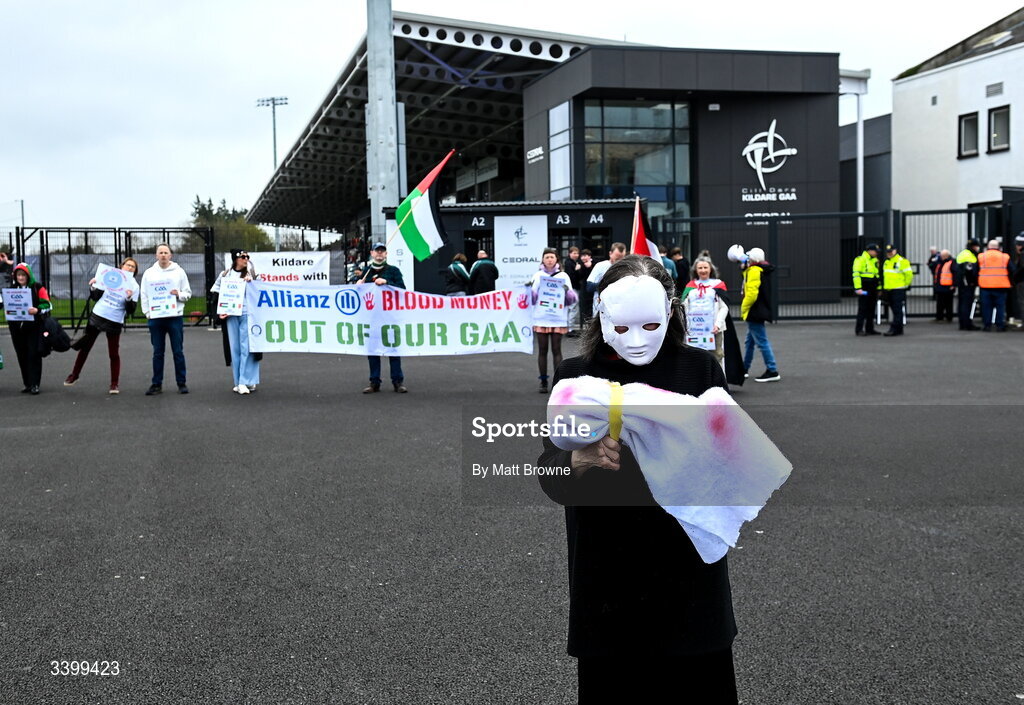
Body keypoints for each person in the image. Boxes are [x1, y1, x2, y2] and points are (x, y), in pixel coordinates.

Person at [537, 255, 738, 704]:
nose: (637, 341)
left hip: (690, 575)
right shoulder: (574, 375)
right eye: (623, 327)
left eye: (649, 325)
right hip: (607, 577)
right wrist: (579, 459)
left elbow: (732, 467)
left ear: (670, 311)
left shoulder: (700, 370)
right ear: (602, 315)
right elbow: (547, 472)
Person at [64, 257, 139, 394]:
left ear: (135, 271)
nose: (129, 268)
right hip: (98, 315)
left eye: (132, 267)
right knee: (85, 347)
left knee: (113, 353)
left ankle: (114, 384)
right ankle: (74, 375)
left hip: (115, 320)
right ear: (121, 266)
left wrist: (129, 298)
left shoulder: (134, 286)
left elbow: (131, 310)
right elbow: (96, 296)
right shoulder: (111, 275)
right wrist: (93, 286)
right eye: (127, 265)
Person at [140, 243, 191, 395]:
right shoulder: (149, 273)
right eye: (160, 252)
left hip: (174, 317)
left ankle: (181, 382)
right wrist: (148, 313)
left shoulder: (179, 272)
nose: (163, 255)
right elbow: (144, 294)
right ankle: (156, 384)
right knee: (158, 352)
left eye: (165, 252)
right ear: (156, 256)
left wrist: (179, 294)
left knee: (178, 351)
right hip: (156, 318)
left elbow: (187, 293)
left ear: (170, 255)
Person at [211, 249, 260, 394]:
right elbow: (215, 292)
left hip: (247, 314)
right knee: (235, 348)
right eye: (242, 257)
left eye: (247, 257)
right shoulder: (225, 274)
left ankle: (246, 380)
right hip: (231, 314)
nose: (246, 259)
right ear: (236, 259)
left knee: (247, 347)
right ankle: (239, 381)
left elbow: (260, 290)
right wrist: (220, 312)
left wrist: (253, 282)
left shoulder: (252, 274)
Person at [361, 242, 407, 393]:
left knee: (393, 350)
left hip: (390, 317)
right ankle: (374, 382)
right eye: (377, 251)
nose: (380, 253)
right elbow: (359, 294)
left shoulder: (393, 270)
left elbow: (402, 289)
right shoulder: (366, 272)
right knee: (373, 351)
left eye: (382, 251)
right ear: (372, 253)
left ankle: (397, 381)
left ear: (386, 254)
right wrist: (358, 285)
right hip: (372, 317)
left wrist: (387, 282)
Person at [530, 248, 577, 393]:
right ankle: (543, 381)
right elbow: (532, 299)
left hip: (558, 318)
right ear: (542, 260)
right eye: (547, 257)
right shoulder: (538, 276)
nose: (549, 259)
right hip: (542, 318)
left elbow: (571, 299)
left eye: (552, 257)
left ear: (556, 259)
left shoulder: (563, 276)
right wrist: (532, 291)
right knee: (542, 350)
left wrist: (565, 290)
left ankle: (558, 382)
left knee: (557, 350)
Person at [736, 246, 780, 382]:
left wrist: (744, 308)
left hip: (754, 311)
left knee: (761, 341)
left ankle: (772, 370)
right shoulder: (760, 269)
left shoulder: (754, 271)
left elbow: (752, 293)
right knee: (750, 342)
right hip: (759, 310)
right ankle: (744, 368)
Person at [6, 263, 51, 394]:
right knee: (21, 355)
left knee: (33, 354)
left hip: (34, 327)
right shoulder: (12, 289)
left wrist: (37, 310)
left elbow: (48, 304)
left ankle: (35, 383)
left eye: (23, 275)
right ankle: (27, 383)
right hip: (16, 328)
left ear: (28, 275)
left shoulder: (38, 287)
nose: (20, 278)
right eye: (18, 275)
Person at [681, 252, 729, 367]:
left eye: (705, 267)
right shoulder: (691, 286)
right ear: (696, 270)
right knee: (695, 358)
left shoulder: (718, 285)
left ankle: (718, 382)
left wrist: (717, 324)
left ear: (710, 269)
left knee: (717, 357)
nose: (703, 270)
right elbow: (684, 306)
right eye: (700, 268)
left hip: (714, 330)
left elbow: (724, 307)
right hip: (694, 330)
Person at [977, 239, 1014, 332]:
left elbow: (975, 271)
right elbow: (1012, 270)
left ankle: (987, 325)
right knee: (1000, 307)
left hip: (985, 286)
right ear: (998, 247)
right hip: (1001, 285)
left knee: (986, 307)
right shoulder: (1005, 257)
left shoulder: (981, 256)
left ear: (988, 247)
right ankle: (1000, 325)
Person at [585, 242, 627, 315]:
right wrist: (607, 284)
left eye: (622, 258)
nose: (619, 261)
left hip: (619, 309)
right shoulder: (600, 266)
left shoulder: (626, 268)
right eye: (617, 259)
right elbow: (589, 287)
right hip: (601, 309)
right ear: (610, 254)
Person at [882, 244, 913, 337]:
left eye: (891, 251)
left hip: (898, 289)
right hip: (889, 289)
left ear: (895, 251)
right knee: (895, 310)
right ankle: (899, 329)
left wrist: (905, 285)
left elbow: (909, 275)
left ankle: (894, 329)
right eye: (888, 252)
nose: (889, 253)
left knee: (897, 309)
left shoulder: (902, 261)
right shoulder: (887, 262)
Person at [852, 243, 881, 336]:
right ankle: (859, 329)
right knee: (863, 308)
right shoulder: (860, 259)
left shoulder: (875, 260)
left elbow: (877, 275)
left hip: (873, 286)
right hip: (864, 286)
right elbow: (856, 274)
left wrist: (879, 288)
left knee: (871, 309)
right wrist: (858, 288)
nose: (877, 253)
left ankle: (870, 328)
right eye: (875, 251)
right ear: (869, 251)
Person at [956, 239, 981, 330]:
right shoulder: (970, 256)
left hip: (962, 283)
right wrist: (973, 282)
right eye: (977, 246)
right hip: (967, 284)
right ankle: (967, 324)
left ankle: (962, 323)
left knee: (962, 303)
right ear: (974, 246)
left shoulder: (962, 253)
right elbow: (969, 271)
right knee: (967, 304)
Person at [931, 249, 957, 323]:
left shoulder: (952, 262)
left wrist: (954, 285)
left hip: (948, 286)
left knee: (948, 303)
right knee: (940, 303)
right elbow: (933, 269)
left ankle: (949, 317)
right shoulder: (939, 262)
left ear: (947, 256)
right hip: (940, 286)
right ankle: (939, 317)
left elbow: (955, 274)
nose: (941, 257)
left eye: (943, 256)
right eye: (941, 255)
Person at [577, 249, 595, 324]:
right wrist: (578, 269)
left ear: (589, 256)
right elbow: (579, 277)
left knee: (592, 304)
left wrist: (591, 266)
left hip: (593, 287)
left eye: (585, 256)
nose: (583, 258)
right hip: (584, 288)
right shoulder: (580, 264)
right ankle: (585, 321)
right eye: (582, 256)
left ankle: (592, 321)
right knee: (584, 305)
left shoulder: (595, 262)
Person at [1011, 233, 1024, 329]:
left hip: (1022, 282)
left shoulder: (1022, 255)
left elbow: (1021, 269)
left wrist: (1014, 277)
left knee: (1022, 302)